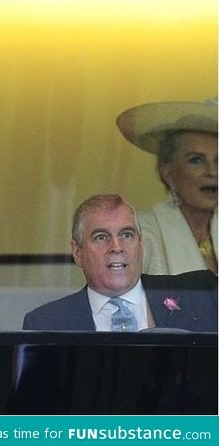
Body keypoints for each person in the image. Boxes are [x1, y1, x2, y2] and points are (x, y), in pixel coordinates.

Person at [22, 193, 218, 332]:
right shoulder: (46, 323)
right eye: (101, 237)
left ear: (140, 245)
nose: (117, 247)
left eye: (126, 235)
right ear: (77, 252)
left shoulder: (202, 293)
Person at [116, 99, 218, 275]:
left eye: (218, 161)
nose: (212, 172)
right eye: (196, 160)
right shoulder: (141, 235)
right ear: (168, 173)